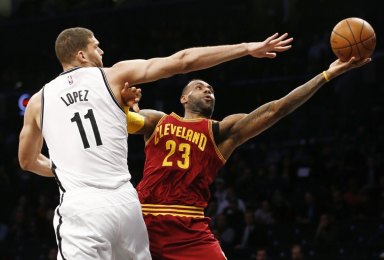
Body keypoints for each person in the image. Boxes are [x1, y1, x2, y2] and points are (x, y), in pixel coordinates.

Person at [17, 26, 293, 260]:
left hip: (83, 208)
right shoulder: (114, 76)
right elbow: (184, 60)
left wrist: (65, 167)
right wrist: (246, 47)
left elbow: (27, 161)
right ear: (82, 54)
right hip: (127, 206)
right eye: (97, 47)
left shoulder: (38, 101)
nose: (102, 52)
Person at [123, 56, 371, 259]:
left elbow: (277, 109)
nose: (208, 90)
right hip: (143, 218)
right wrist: (121, 103)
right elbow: (119, 122)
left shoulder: (221, 132)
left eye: (211, 89)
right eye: (199, 87)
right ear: (184, 98)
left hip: (188, 225)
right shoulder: (158, 120)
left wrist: (326, 75)